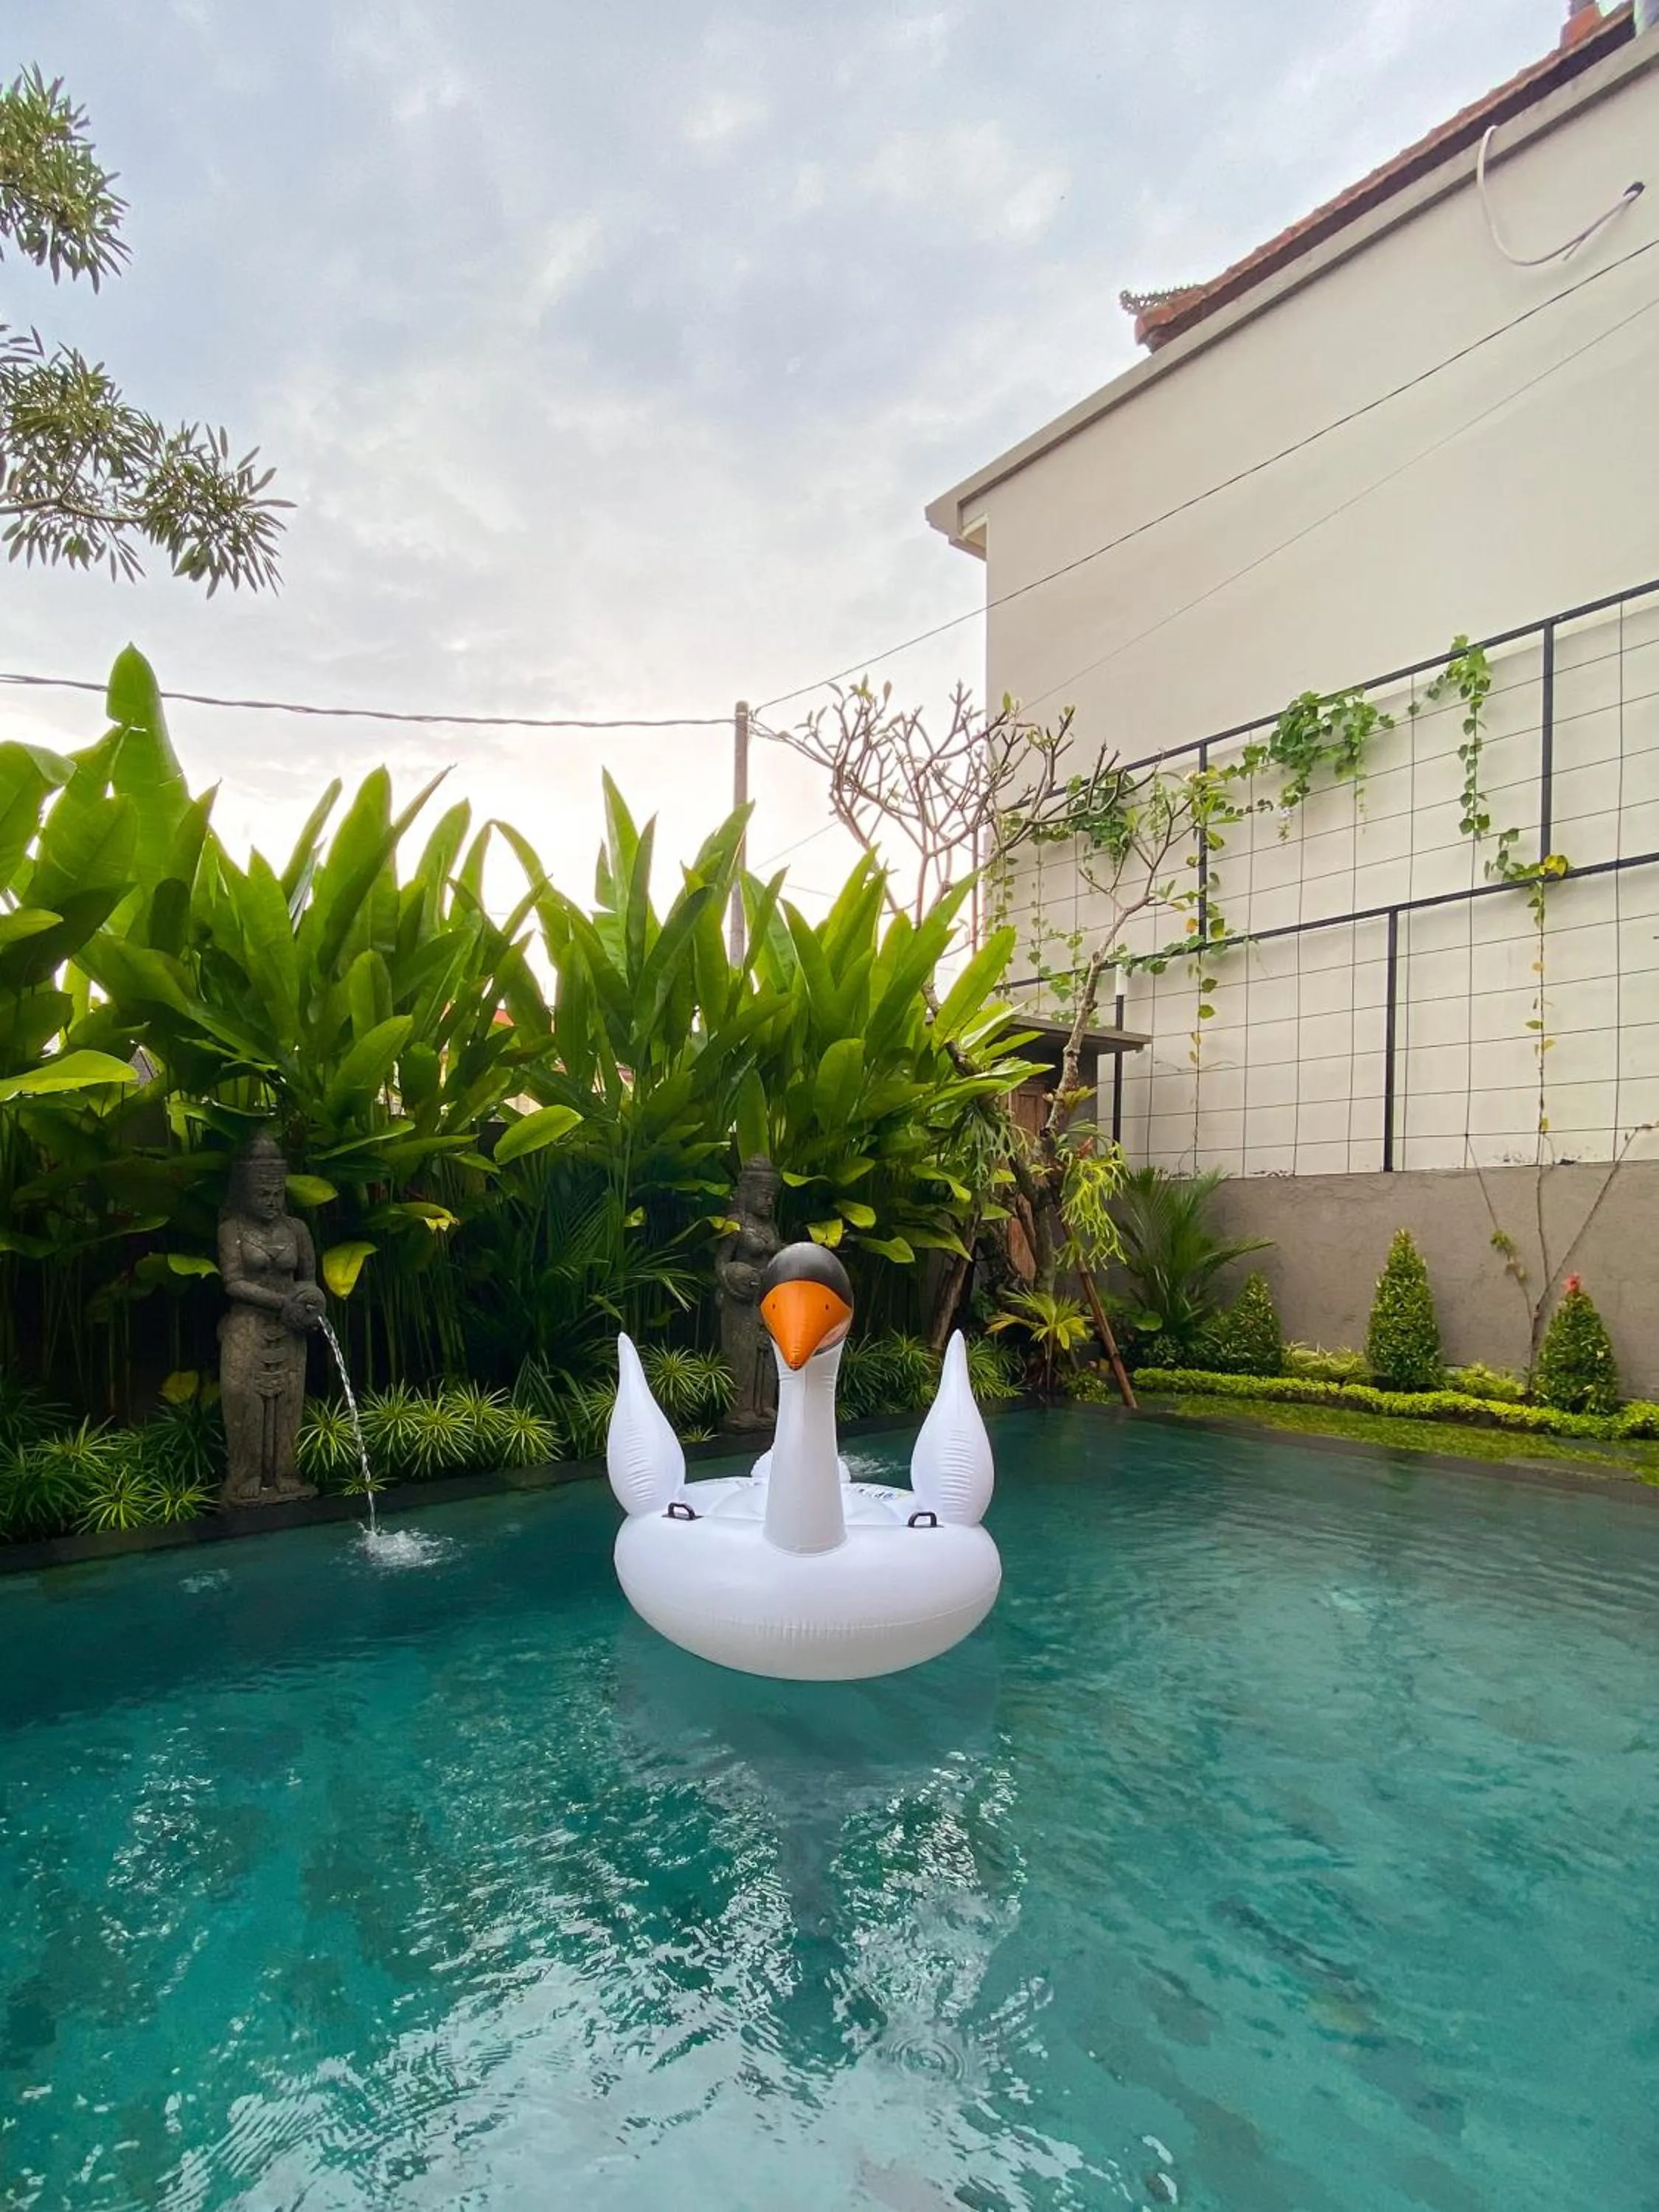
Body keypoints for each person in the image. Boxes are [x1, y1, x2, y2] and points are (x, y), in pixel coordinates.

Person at [217, 1135, 324, 1504]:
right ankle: (245, 1474)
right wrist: (283, 1302)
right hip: (248, 1326)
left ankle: (284, 1472)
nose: (271, 1202)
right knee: (243, 1399)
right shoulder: (232, 1230)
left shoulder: (297, 1229)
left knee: (289, 1401)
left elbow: (309, 1279)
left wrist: (311, 1301)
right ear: (245, 1192)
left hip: (290, 1330)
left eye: (277, 1194)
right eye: (263, 1195)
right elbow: (232, 1282)